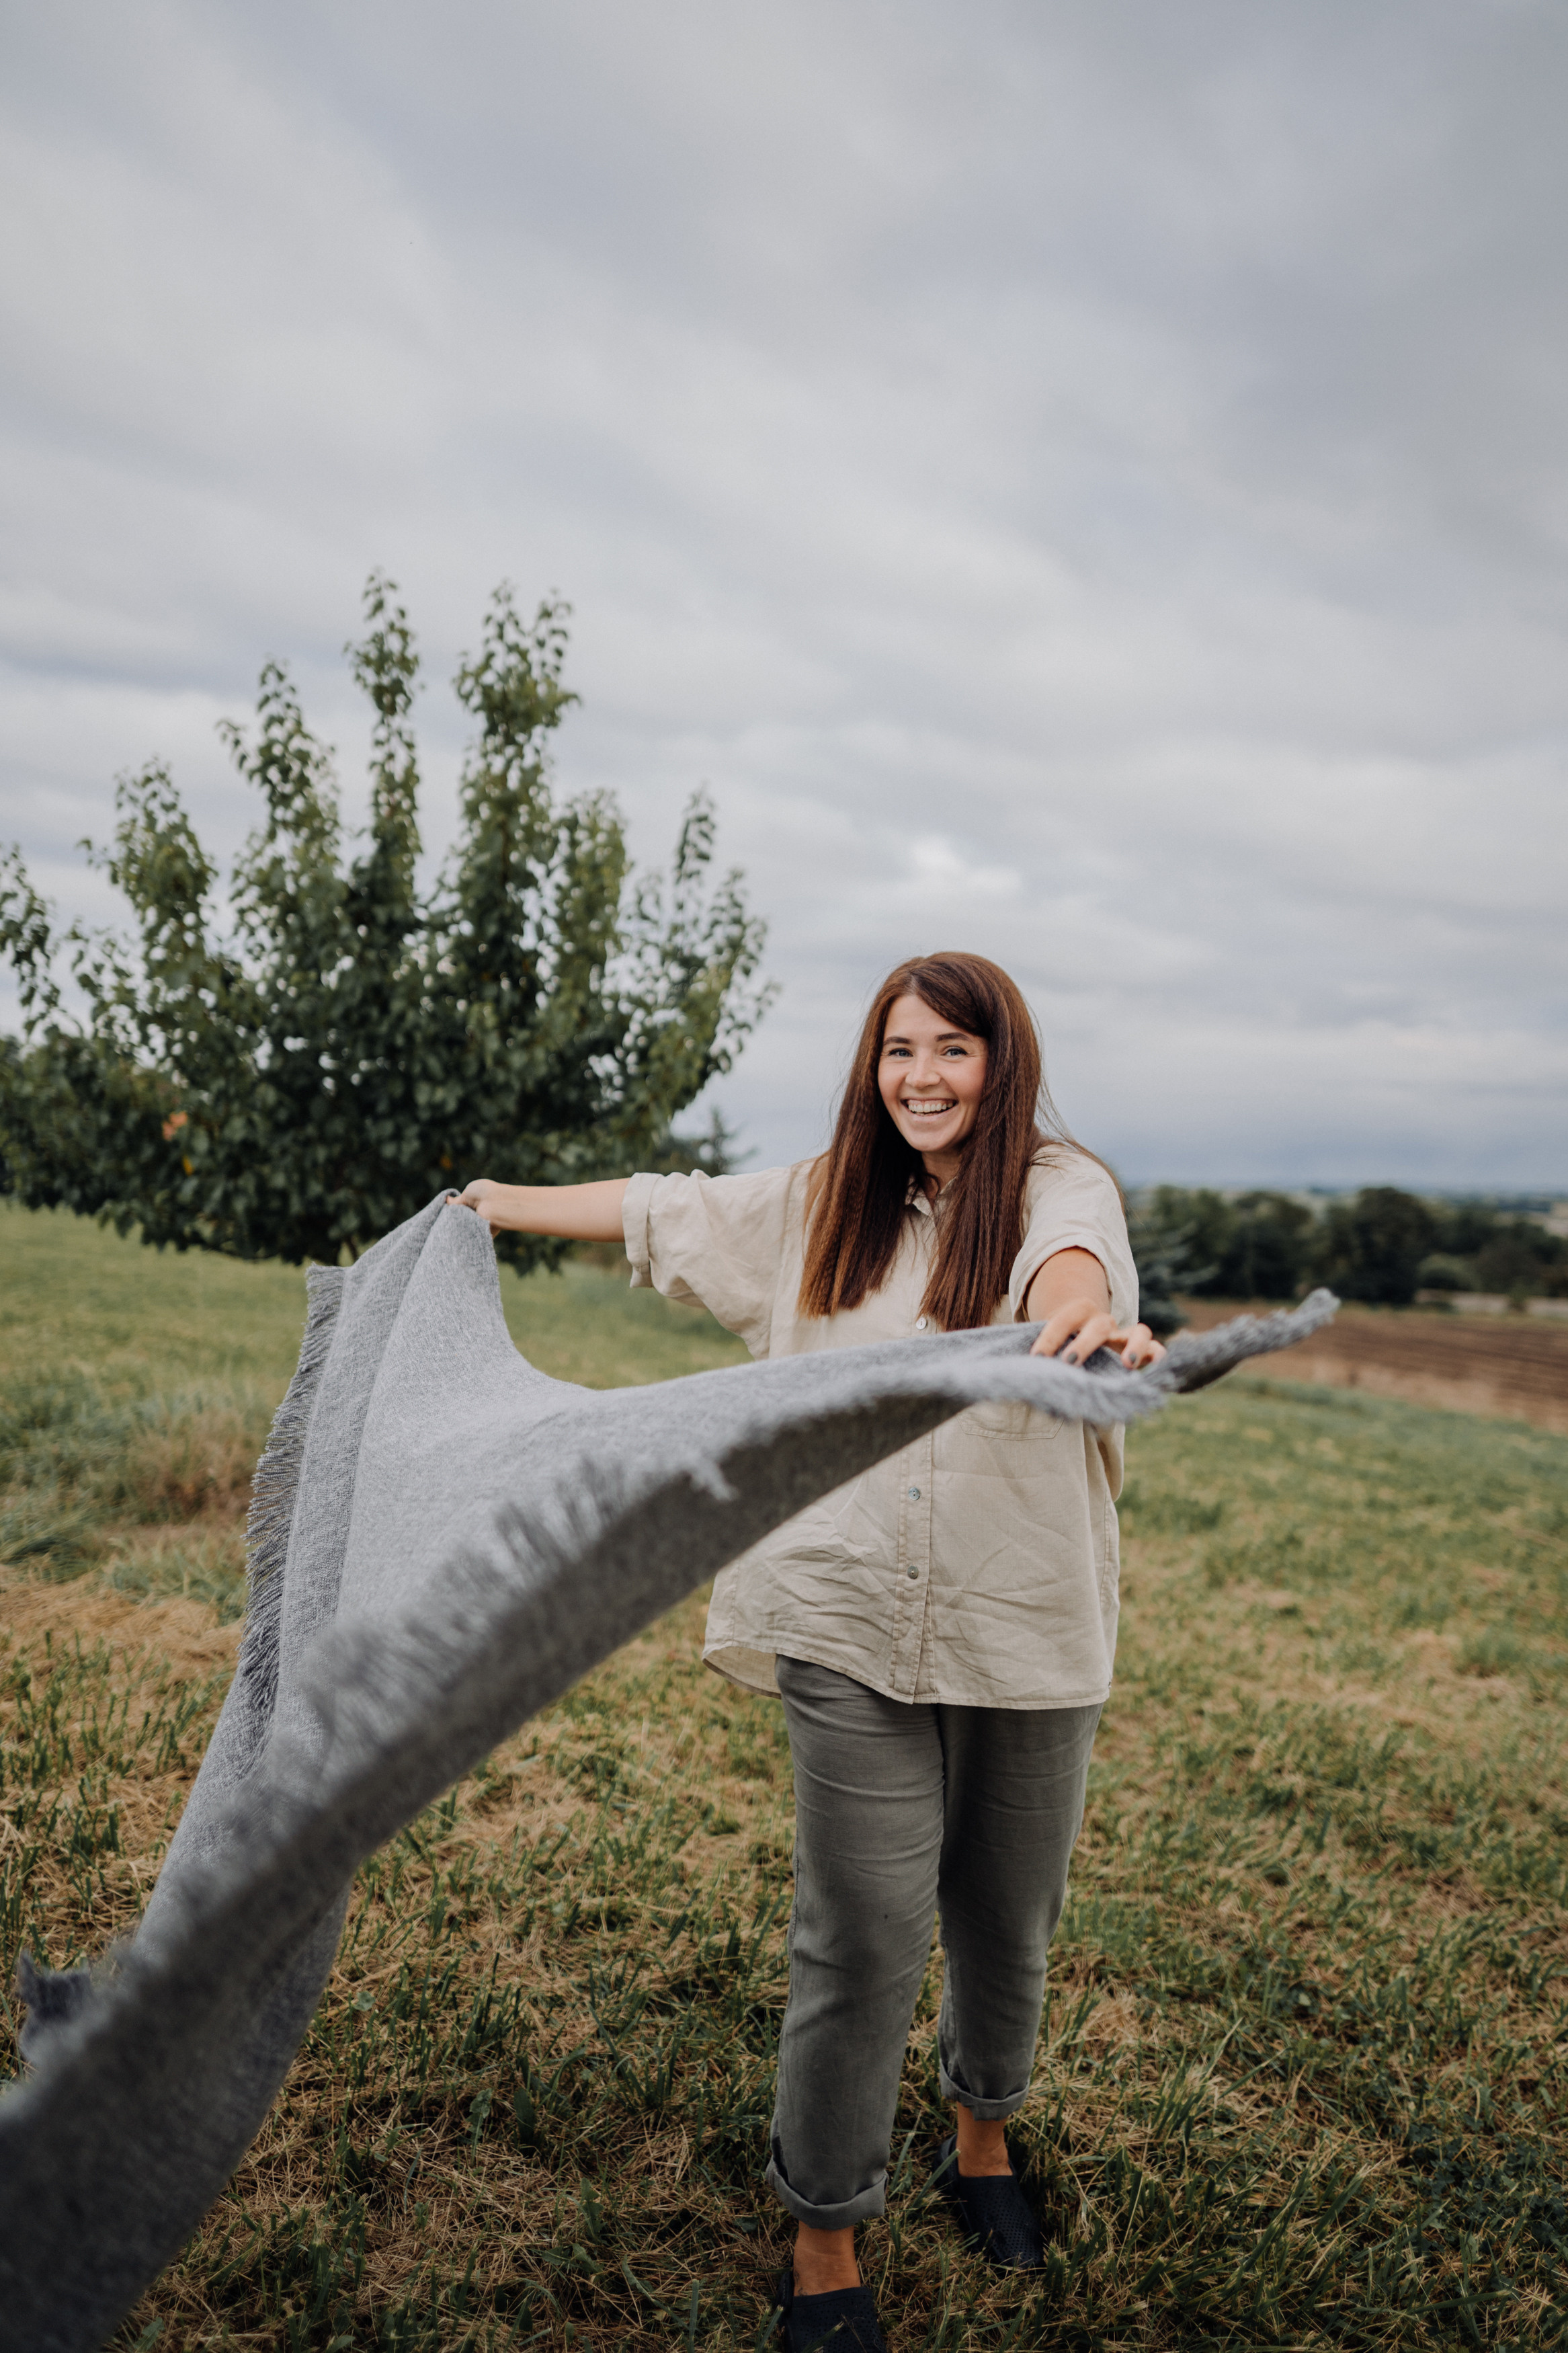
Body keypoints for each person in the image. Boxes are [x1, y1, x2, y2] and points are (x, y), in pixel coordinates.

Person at [454, 951, 1162, 2353]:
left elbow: (1070, 1264)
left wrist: (1083, 1317)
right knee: (860, 1935)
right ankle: (825, 2236)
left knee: (1005, 1916)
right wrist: (487, 1203)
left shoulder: (1059, 1185)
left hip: (1022, 1617)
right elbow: (665, 1208)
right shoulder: (822, 1195)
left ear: (999, 1062)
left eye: (953, 1051)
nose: (922, 1076)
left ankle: (982, 2143)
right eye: (900, 1048)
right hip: (840, 1609)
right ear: (873, 1060)